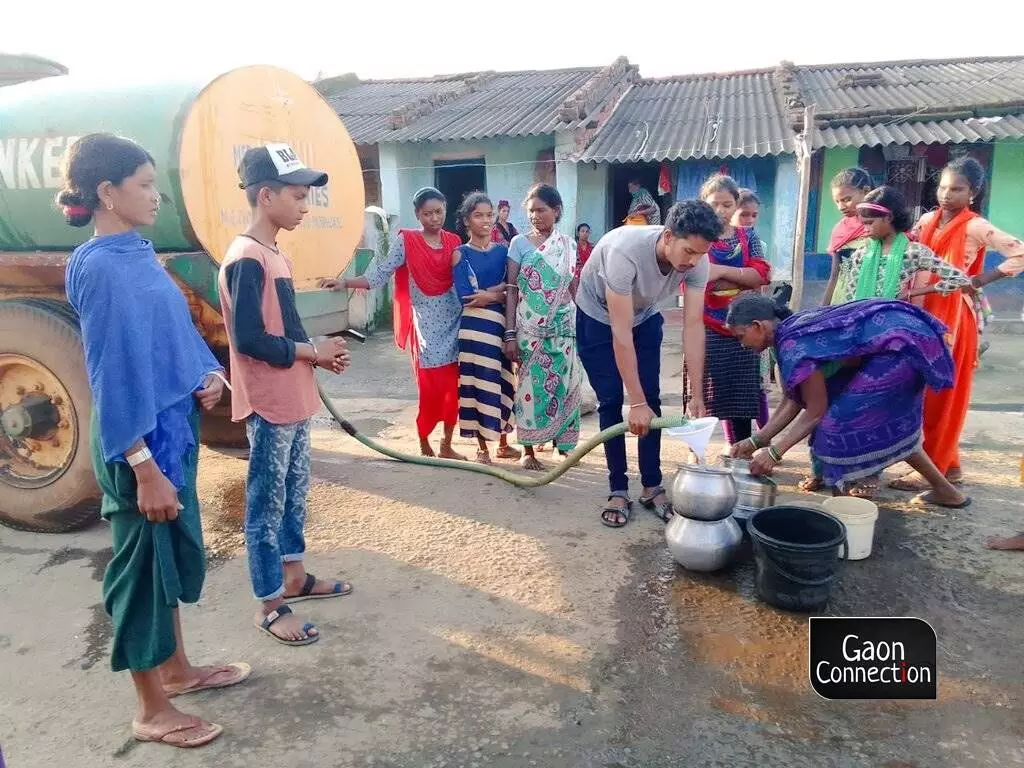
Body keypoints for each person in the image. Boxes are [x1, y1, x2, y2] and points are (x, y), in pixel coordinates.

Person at [63, 134, 248, 748]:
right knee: (140, 574)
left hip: (171, 436)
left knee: (167, 562)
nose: (156, 194)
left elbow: (168, 332)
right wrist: (144, 469)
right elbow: (111, 375)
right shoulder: (101, 269)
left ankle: (177, 670)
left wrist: (205, 372)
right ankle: (150, 708)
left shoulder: (138, 253)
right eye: (144, 184)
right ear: (106, 193)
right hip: (138, 449)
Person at [219, 145, 353, 647]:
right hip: (270, 404)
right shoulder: (247, 257)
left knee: (294, 495)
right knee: (265, 504)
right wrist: (308, 350)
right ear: (266, 195)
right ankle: (270, 603)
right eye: (298, 196)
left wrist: (321, 354)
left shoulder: (276, 253)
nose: (305, 206)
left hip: (293, 398)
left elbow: (288, 326)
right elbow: (250, 339)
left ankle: (294, 575)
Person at [798, 185, 974, 498]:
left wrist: (916, 294)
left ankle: (868, 476)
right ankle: (825, 472)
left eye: (869, 222)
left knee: (874, 412)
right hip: (859, 339)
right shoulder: (863, 253)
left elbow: (958, 278)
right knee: (834, 399)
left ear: (889, 218)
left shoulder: (913, 252)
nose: (864, 228)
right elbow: (852, 298)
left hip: (893, 344)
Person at [727, 295, 970, 509]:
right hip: (901, 337)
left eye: (741, 336)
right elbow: (795, 399)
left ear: (758, 326)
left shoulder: (793, 344)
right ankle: (947, 492)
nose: (741, 344)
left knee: (831, 432)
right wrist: (757, 440)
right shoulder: (787, 335)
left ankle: (842, 514)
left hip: (900, 348)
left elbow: (815, 412)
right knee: (891, 428)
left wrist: (774, 453)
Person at [576, 200, 721, 527]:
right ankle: (617, 488)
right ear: (668, 237)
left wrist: (697, 394)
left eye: (700, 254)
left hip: (645, 314)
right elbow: (621, 333)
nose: (693, 262)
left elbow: (694, 326)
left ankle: (651, 484)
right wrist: (635, 402)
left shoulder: (697, 260)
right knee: (613, 398)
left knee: (652, 398)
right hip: (598, 317)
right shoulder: (624, 254)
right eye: (688, 252)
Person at [891, 157, 1024, 491]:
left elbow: (1019, 253)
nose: (947, 195)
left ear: (973, 193)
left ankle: (932, 467)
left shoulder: (975, 226)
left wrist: (978, 280)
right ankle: (948, 466)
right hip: (923, 307)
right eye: (943, 187)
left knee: (943, 394)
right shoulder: (925, 221)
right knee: (922, 391)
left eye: (957, 189)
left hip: (954, 314)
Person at [328, 188, 465, 459]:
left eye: (439, 212)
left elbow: (465, 277)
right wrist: (346, 282)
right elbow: (381, 272)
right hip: (426, 327)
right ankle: (424, 439)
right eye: (427, 213)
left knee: (453, 390)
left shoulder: (454, 241)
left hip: (454, 321)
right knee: (430, 389)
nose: (434, 218)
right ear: (417, 215)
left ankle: (447, 445)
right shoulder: (407, 241)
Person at [683, 174, 771, 446]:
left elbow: (761, 274)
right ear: (703, 205)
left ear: (736, 205)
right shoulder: (696, 240)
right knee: (702, 398)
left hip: (741, 331)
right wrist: (741, 276)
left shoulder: (748, 237)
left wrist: (719, 271)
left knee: (741, 400)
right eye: (714, 204)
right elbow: (693, 277)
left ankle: (740, 452)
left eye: (727, 204)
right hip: (707, 326)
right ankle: (695, 455)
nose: (720, 211)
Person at [504, 184, 582, 469]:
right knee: (530, 388)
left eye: (541, 210)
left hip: (564, 327)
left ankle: (562, 446)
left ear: (556, 211)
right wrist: (510, 333)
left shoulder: (568, 245)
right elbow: (512, 289)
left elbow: (574, 288)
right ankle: (528, 450)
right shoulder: (519, 244)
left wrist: (585, 325)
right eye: (531, 211)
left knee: (565, 384)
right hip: (529, 330)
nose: (535, 216)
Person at [450, 192, 520, 464]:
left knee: (503, 382)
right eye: (478, 215)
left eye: (489, 215)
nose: (486, 220)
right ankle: (482, 448)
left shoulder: (504, 252)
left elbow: (514, 288)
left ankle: (503, 443)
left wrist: (491, 295)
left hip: (501, 328)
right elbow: (466, 296)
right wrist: (501, 292)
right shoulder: (460, 254)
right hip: (473, 331)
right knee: (477, 384)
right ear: (467, 220)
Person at [730, 188, 771, 431]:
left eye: (754, 215)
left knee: (755, 384)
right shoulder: (719, 243)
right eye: (744, 214)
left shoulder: (757, 242)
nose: (750, 220)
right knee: (729, 387)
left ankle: (764, 436)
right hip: (723, 322)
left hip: (754, 317)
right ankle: (732, 442)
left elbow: (760, 279)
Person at [822, 168, 873, 306]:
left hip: (871, 298)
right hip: (841, 298)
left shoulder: (882, 226)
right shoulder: (839, 230)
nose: (841, 207)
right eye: (837, 201)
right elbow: (834, 275)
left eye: (847, 199)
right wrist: (822, 310)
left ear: (866, 191)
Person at [573, 222, 594, 290]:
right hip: (576, 277)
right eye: (582, 231)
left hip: (589, 276)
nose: (585, 233)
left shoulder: (592, 247)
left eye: (587, 232)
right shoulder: (573, 247)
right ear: (578, 233)